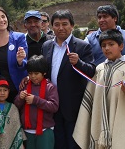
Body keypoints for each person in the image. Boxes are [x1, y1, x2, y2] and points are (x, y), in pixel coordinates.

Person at [73, 29, 125, 149]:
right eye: (103, 45)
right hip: (100, 119)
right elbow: (91, 96)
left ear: (121, 46)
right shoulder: (99, 69)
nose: (107, 48)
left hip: (123, 118)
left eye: (111, 44)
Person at [41, 9, 95, 148]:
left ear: (72, 26)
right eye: (57, 24)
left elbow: (91, 71)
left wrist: (79, 63)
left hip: (73, 106)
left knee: (73, 143)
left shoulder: (82, 46)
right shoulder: (47, 46)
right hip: (52, 104)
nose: (61, 28)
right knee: (58, 142)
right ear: (52, 26)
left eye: (65, 24)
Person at [0, 6, 28, 103]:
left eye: (3, 17)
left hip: (16, 90)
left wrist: (20, 61)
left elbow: (25, 64)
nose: (1, 20)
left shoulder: (19, 38)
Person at [14, 55, 59, 149]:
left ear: (44, 73)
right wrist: (20, 98)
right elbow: (16, 105)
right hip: (27, 131)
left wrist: (35, 100)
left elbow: (54, 107)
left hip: (45, 130)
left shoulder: (50, 87)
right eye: (30, 73)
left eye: (36, 73)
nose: (33, 76)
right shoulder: (25, 85)